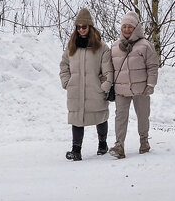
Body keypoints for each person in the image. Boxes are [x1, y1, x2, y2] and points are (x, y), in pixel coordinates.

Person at [59, 8, 112, 161]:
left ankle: (103, 144)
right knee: (76, 118)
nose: (81, 29)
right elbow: (64, 65)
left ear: (90, 27)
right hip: (76, 90)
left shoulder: (102, 47)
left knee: (100, 116)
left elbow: (108, 71)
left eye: (84, 26)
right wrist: (67, 82)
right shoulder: (71, 46)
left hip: (95, 90)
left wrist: (104, 87)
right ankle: (76, 150)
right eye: (78, 27)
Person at [109, 10, 158, 158]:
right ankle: (119, 146)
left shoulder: (145, 45)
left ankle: (144, 141)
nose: (127, 29)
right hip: (121, 89)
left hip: (141, 89)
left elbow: (153, 66)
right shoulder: (115, 46)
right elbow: (110, 68)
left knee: (143, 116)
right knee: (120, 117)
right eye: (124, 26)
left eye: (130, 26)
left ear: (136, 28)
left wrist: (151, 84)